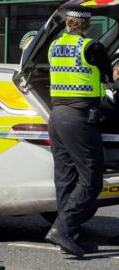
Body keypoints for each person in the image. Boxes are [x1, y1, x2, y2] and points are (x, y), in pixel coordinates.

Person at [45, 8, 113, 257]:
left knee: (65, 177)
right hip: (79, 116)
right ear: (86, 24)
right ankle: (64, 228)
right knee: (91, 177)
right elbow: (107, 76)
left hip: (56, 115)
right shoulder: (92, 47)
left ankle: (70, 235)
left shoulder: (53, 46)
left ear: (68, 23)